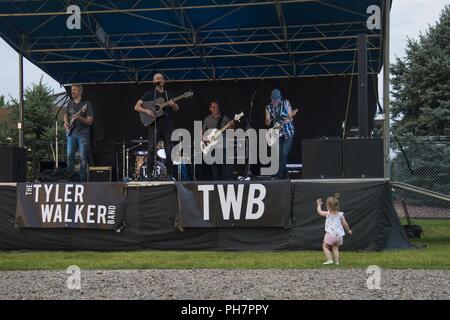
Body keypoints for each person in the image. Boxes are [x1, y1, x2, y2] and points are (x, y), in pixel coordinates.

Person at [134, 73, 179, 180]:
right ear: (154, 81)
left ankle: (169, 175)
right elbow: (136, 106)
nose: (160, 80)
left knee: (169, 150)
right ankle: (149, 175)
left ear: (164, 81)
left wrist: (174, 105)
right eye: (158, 78)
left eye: (162, 78)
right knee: (151, 150)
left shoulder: (169, 94)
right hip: (154, 125)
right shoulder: (149, 95)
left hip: (167, 126)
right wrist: (147, 111)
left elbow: (177, 109)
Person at [64, 84, 94, 182]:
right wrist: (66, 123)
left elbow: (90, 122)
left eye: (74, 90)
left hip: (83, 134)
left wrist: (80, 117)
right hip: (71, 133)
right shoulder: (70, 103)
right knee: (69, 156)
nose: (72, 91)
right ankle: (70, 178)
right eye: (72, 90)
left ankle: (82, 180)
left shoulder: (86, 105)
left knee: (83, 157)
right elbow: (66, 115)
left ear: (80, 91)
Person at [265, 89, 295, 179]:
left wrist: (284, 121)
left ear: (280, 98)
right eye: (273, 99)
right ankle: (285, 176)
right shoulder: (268, 107)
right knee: (279, 155)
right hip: (277, 133)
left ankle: (278, 175)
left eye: (277, 99)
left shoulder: (286, 103)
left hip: (288, 132)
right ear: (271, 99)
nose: (275, 101)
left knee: (284, 153)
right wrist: (268, 121)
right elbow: (267, 121)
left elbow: (291, 118)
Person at [316, 193, 352, 265]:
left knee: (325, 247)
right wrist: (348, 230)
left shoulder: (328, 213)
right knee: (335, 248)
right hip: (339, 236)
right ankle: (337, 262)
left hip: (330, 235)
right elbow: (345, 224)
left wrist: (319, 205)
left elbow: (319, 212)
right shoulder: (340, 215)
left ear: (328, 206)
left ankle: (329, 260)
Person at [202, 100, 234, 180]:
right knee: (214, 166)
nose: (215, 108)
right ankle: (216, 182)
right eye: (213, 107)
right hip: (212, 146)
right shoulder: (207, 119)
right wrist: (205, 140)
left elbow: (231, 130)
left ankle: (226, 182)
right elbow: (202, 133)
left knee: (225, 165)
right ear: (210, 109)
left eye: (216, 107)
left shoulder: (224, 118)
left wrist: (232, 125)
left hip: (223, 145)